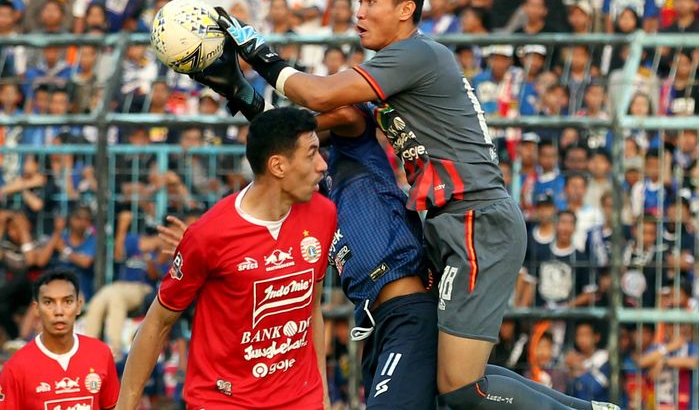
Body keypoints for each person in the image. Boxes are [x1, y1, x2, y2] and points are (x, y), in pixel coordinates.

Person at [192, 0, 618, 409]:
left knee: (459, 389)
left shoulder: (416, 54)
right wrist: (241, 94)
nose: (358, 12)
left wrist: (257, 49)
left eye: (369, 0)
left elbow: (317, 94)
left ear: (405, 10)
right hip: (452, 224)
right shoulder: (394, 73)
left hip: (474, 217)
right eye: (357, 0)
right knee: (454, 379)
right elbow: (313, 123)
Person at [159, 102, 440, 409]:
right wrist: (203, 251)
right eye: (310, 152)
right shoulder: (314, 204)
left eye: (316, 148)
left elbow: (347, 114)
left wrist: (298, 124)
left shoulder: (356, 152)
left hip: (408, 312)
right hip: (376, 326)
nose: (319, 162)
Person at [115, 108, 336, 409]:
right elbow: (158, 322)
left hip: (300, 399)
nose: (323, 165)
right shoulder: (209, 235)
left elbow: (312, 308)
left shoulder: (323, 214)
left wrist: (321, 393)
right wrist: (125, 405)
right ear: (278, 166)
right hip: (224, 400)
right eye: (311, 154)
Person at [0, 269, 120, 409]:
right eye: (49, 302)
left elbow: (112, 406)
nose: (59, 311)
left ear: (78, 306)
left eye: (67, 301)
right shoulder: (15, 368)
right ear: (37, 309)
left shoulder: (101, 353)